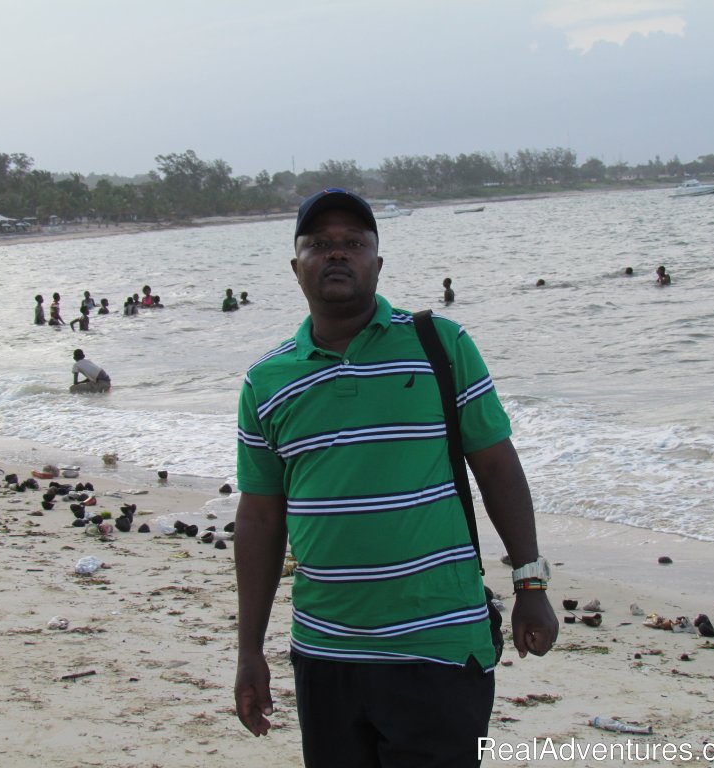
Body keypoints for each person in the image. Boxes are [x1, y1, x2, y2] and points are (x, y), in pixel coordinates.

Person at [233, 189, 557, 766]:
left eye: (354, 244)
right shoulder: (266, 381)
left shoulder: (442, 345)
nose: (337, 254)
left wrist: (530, 584)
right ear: (295, 266)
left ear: (377, 264)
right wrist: (249, 650)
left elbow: (498, 467)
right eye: (319, 244)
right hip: (325, 651)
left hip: (438, 646)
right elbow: (260, 517)